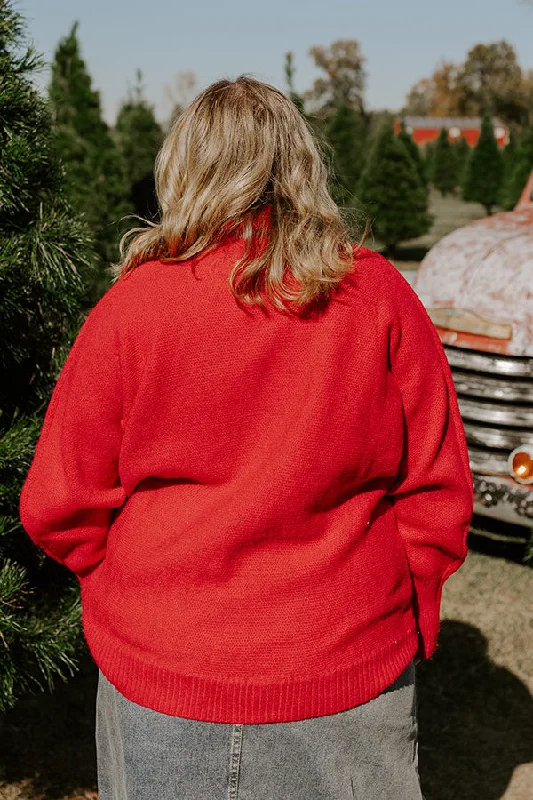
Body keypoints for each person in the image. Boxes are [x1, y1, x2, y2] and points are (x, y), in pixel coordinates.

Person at [19, 76, 474, 800]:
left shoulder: (133, 308)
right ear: (300, 165)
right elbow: (440, 489)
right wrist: (393, 606)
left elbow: (56, 502)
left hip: (172, 676)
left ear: (183, 169)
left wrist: (140, 595)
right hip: (343, 664)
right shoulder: (378, 295)